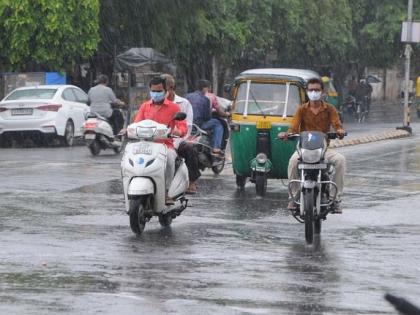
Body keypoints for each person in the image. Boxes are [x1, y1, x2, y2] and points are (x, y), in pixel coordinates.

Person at [278, 77, 346, 213]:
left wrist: (340, 131)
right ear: (307, 92)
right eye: (311, 90)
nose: (314, 92)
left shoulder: (330, 109)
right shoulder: (301, 110)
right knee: (292, 163)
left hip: (324, 149)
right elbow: (293, 127)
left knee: (340, 161)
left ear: (322, 92)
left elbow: (337, 125)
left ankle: (335, 198)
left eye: (317, 90)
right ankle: (293, 196)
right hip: (304, 149)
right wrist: (287, 134)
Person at [133, 76, 187, 204]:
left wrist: (177, 131)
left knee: (169, 160)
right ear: (149, 90)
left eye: (159, 91)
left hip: (165, 146)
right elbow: (136, 124)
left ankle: (167, 191)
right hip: (145, 145)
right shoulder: (145, 106)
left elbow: (182, 126)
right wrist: (127, 130)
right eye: (153, 91)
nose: (156, 94)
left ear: (165, 90)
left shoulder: (174, 108)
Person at [161, 73, 200, 194]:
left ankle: (192, 181)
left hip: (177, 140)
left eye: (163, 90)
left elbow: (186, 127)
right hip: (159, 140)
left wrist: (175, 139)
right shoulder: (153, 104)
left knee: (189, 149)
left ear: (171, 89)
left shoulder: (184, 104)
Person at [185, 79, 224, 156]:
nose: (208, 90)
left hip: (187, 124)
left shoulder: (187, 96)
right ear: (205, 88)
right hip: (199, 125)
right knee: (218, 124)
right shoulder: (206, 99)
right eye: (208, 88)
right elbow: (207, 117)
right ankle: (216, 148)